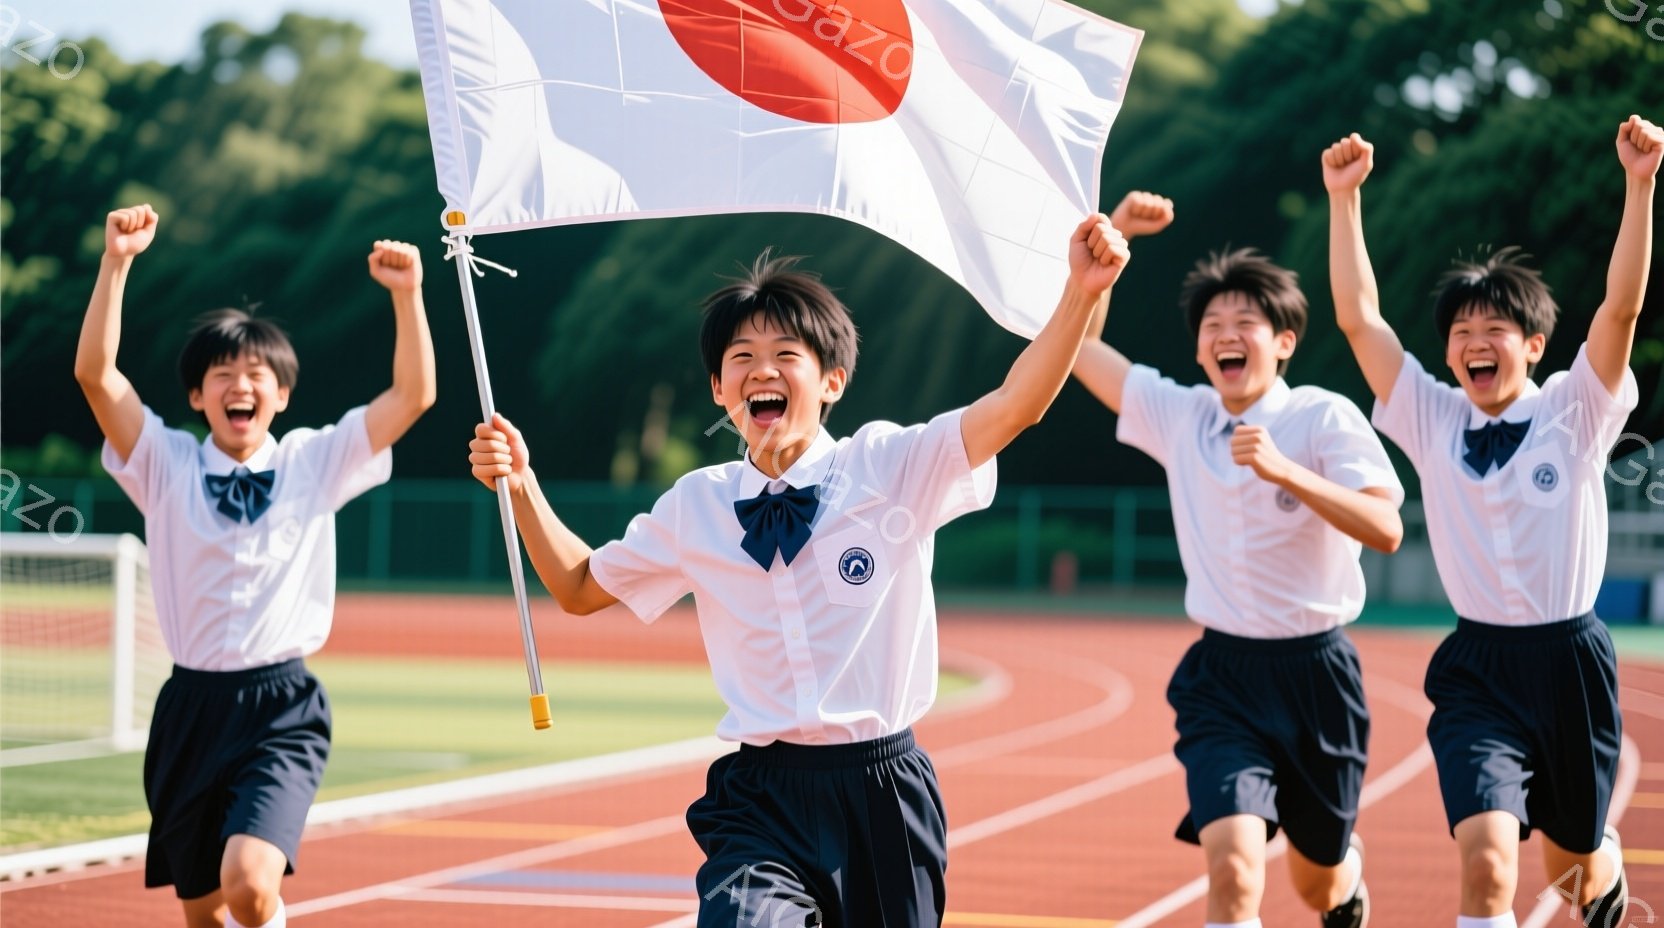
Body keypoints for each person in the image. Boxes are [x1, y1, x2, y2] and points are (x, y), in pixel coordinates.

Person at [467, 213, 1129, 926]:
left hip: (883, 792)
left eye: (787, 353)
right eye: (741, 357)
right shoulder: (697, 505)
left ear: (833, 380)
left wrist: (1081, 293)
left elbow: (1016, 406)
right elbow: (578, 587)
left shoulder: (890, 466)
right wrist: (522, 485)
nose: (762, 370)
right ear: (719, 389)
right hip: (762, 797)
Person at [1322, 115, 1661, 928]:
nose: (1475, 343)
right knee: (1486, 862)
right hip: (1478, 669)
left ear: (1534, 345)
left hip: (1570, 664)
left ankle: (1601, 866)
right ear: (1448, 353)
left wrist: (1640, 184)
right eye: (1461, 333)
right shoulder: (1432, 416)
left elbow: (1619, 311)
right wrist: (1343, 200)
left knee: (1572, 867)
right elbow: (1360, 321)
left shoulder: (1575, 410)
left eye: (1494, 331)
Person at [75, 204, 437, 928]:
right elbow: (95, 374)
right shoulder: (164, 463)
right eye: (222, 373)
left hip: (281, 708)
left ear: (282, 393)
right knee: (206, 914)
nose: (239, 384)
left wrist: (408, 295)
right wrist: (116, 262)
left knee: (248, 884)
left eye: (255, 373)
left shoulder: (314, 459)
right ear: (196, 395)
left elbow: (413, 397)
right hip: (189, 710)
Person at [1072, 190, 1403, 928]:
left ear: (1283, 341)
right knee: (1233, 869)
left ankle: (1343, 879)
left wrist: (1288, 472)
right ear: (1199, 351)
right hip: (1224, 678)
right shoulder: (1180, 414)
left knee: (1317, 882)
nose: (1227, 336)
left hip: (1318, 676)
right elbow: (1083, 350)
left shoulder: (1322, 416)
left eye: (1244, 323)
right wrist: (1115, 240)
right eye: (1212, 326)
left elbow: (1386, 528)